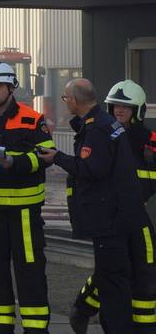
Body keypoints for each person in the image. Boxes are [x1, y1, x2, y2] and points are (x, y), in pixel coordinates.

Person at [39, 78, 145, 334]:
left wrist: (58, 158)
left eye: (66, 98)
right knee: (114, 277)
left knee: (111, 283)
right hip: (119, 216)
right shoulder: (106, 124)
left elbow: (92, 169)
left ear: (75, 100)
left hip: (108, 219)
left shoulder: (97, 128)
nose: (65, 102)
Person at [0, 62, 56, 332]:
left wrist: (14, 162)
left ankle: (35, 328)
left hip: (25, 212)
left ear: (11, 87)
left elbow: (46, 158)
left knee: (30, 271)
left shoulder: (33, 119)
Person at [67, 79, 156, 333]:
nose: (119, 111)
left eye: (125, 108)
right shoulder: (100, 134)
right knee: (112, 270)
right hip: (111, 216)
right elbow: (81, 177)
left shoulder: (151, 142)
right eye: (115, 107)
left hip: (136, 215)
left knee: (145, 269)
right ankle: (84, 306)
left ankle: (146, 327)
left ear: (137, 111)